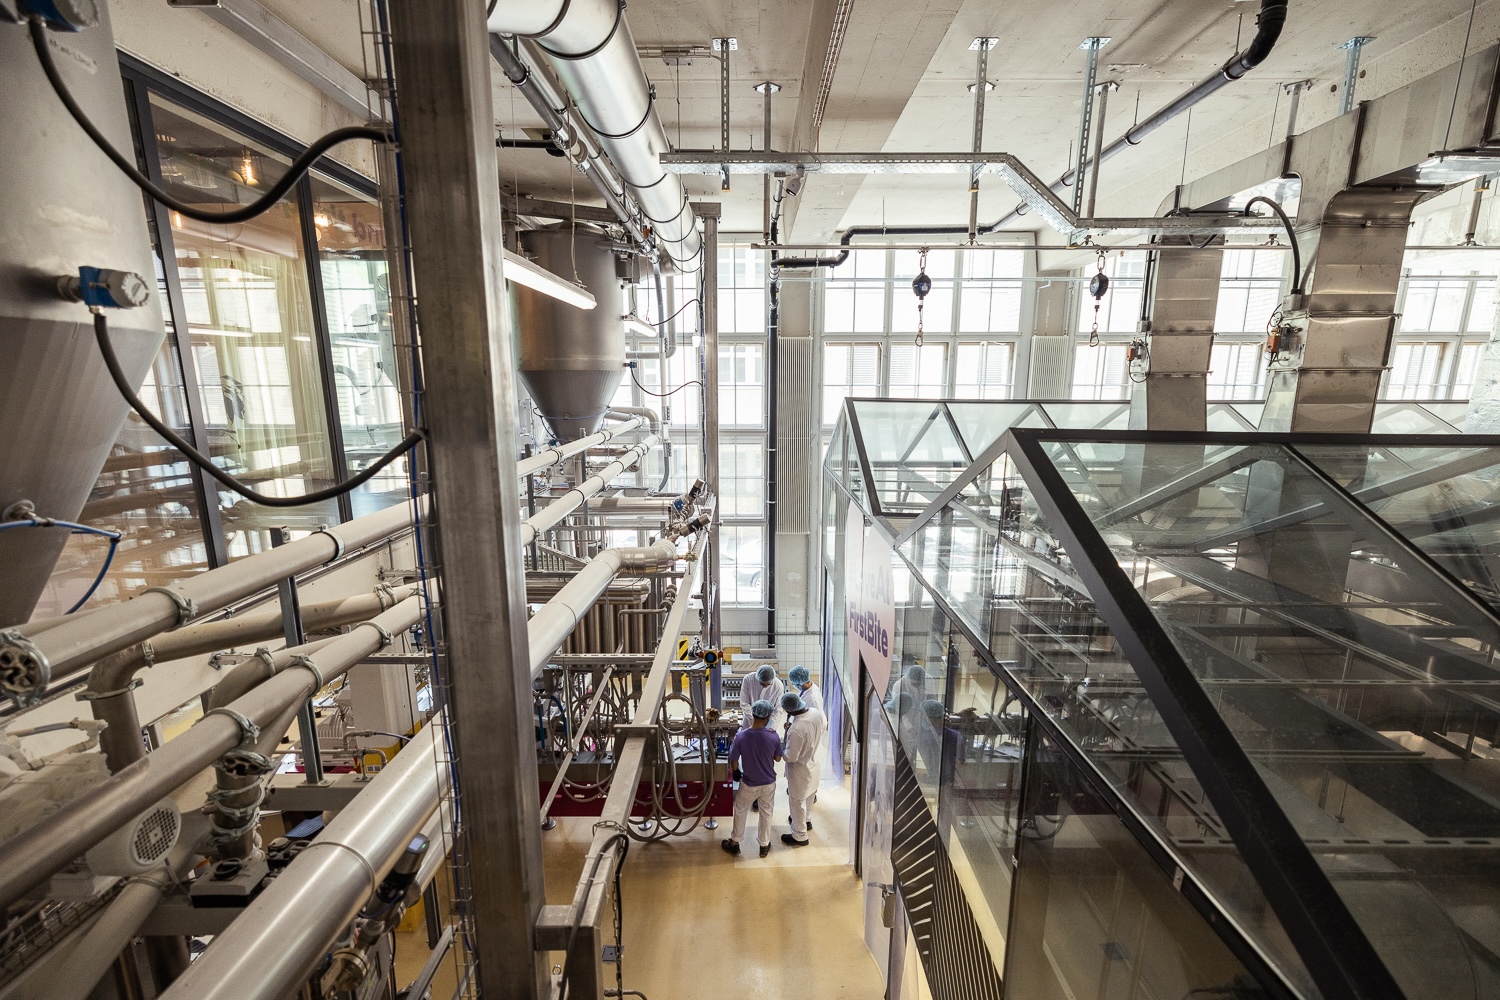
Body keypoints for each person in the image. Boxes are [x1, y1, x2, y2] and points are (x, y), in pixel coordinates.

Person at [722, 699, 783, 858]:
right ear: (767, 717)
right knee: (766, 812)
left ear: (753, 715)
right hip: (768, 783)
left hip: (749, 783)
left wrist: (736, 772)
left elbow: (733, 758)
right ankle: (764, 845)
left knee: (741, 810)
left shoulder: (741, 736)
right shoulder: (773, 736)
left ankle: (735, 843)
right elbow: (777, 758)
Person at [779, 691, 827, 847]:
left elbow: (790, 757)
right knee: (809, 796)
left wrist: (780, 746)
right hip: (814, 763)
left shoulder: (797, 729)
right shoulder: (814, 713)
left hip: (800, 771)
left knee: (796, 801)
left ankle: (800, 835)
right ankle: (806, 821)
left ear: (790, 710)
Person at [739, 664, 785, 730]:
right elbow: (744, 703)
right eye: (762, 684)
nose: (765, 686)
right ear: (757, 679)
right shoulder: (748, 679)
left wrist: (771, 727)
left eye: (768, 684)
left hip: (768, 723)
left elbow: (778, 709)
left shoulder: (778, 685)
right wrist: (755, 722)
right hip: (750, 721)